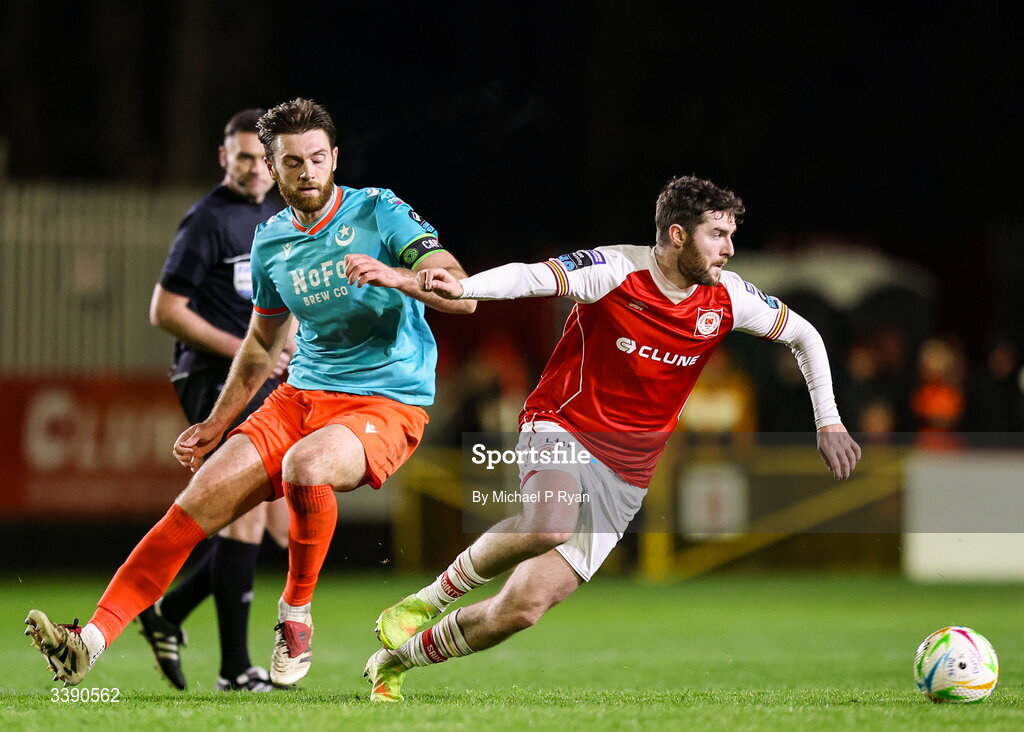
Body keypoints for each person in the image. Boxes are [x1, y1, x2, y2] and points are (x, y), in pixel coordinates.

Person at [25, 97, 475, 689]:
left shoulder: (381, 213)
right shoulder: (271, 244)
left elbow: (464, 293)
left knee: (305, 466)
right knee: (191, 508)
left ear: (335, 158)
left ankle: (294, 615)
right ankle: (87, 644)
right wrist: (217, 422)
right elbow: (261, 347)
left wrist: (401, 276)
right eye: (293, 162)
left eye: (318, 158)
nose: (308, 171)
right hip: (300, 397)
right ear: (273, 167)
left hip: (385, 400)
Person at [362, 175, 862, 701]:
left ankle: (394, 661)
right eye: (717, 235)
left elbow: (806, 335)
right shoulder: (616, 269)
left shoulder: (729, 297)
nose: (729, 250)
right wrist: (464, 288)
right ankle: (424, 601)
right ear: (677, 235)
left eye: (731, 235)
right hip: (562, 424)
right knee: (550, 522)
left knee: (521, 609)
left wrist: (828, 421)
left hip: (628, 471)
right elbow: (530, 278)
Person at [142, 108, 293, 692]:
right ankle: (235, 668)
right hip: (213, 378)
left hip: (266, 381)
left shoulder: (277, 217)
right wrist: (247, 351)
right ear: (224, 157)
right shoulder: (207, 221)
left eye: (264, 157)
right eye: (245, 156)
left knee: (276, 525)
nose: (256, 168)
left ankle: (168, 613)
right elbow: (166, 310)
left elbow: (287, 302)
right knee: (249, 514)